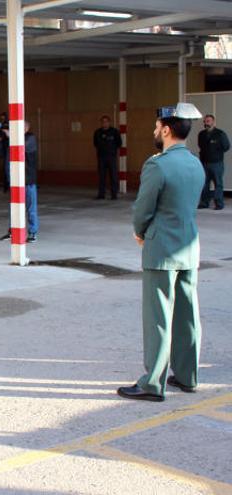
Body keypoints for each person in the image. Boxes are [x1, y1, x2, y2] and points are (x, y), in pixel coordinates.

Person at [118, 103, 205, 402]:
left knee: (158, 318)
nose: (155, 131)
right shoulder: (196, 163)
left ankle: (152, 383)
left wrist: (140, 232)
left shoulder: (158, 164)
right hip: (189, 248)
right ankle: (187, 375)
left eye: (157, 127)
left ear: (166, 130)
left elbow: (144, 207)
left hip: (161, 249)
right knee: (187, 315)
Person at [197, 114, 230, 210]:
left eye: (208, 121)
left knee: (218, 184)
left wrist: (216, 152)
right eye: (205, 121)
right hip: (204, 163)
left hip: (217, 163)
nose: (206, 123)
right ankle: (204, 203)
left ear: (213, 122)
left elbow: (226, 146)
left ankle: (219, 204)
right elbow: (200, 146)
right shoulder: (201, 134)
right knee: (204, 184)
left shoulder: (220, 134)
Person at [93, 115, 122, 200]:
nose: (104, 123)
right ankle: (101, 194)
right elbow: (95, 144)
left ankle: (114, 194)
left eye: (106, 121)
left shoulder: (114, 132)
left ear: (109, 122)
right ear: (101, 123)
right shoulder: (97, 132)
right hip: (101, 157)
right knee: (102, 176)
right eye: (103, 122)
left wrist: (112, 150)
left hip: (111, 157)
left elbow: (119, 143)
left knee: (113, 176)